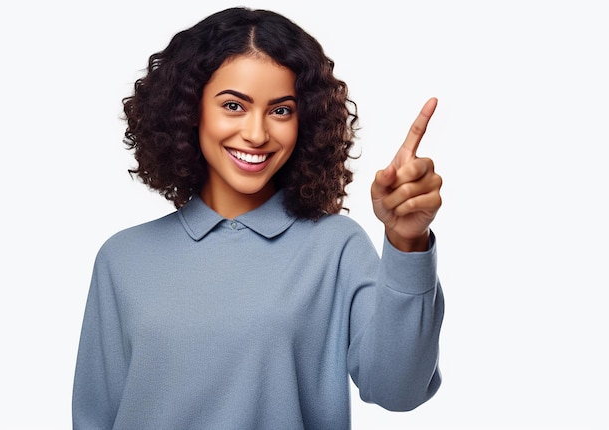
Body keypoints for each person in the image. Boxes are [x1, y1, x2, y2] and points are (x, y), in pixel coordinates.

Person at [72, 6, 445, 430]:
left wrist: (406, 243)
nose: (256, 134)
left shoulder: (335, 248)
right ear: (190, 111)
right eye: (234, 105)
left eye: (281, 110)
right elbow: (94, 418)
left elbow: (400, 390)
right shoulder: (123, 258)